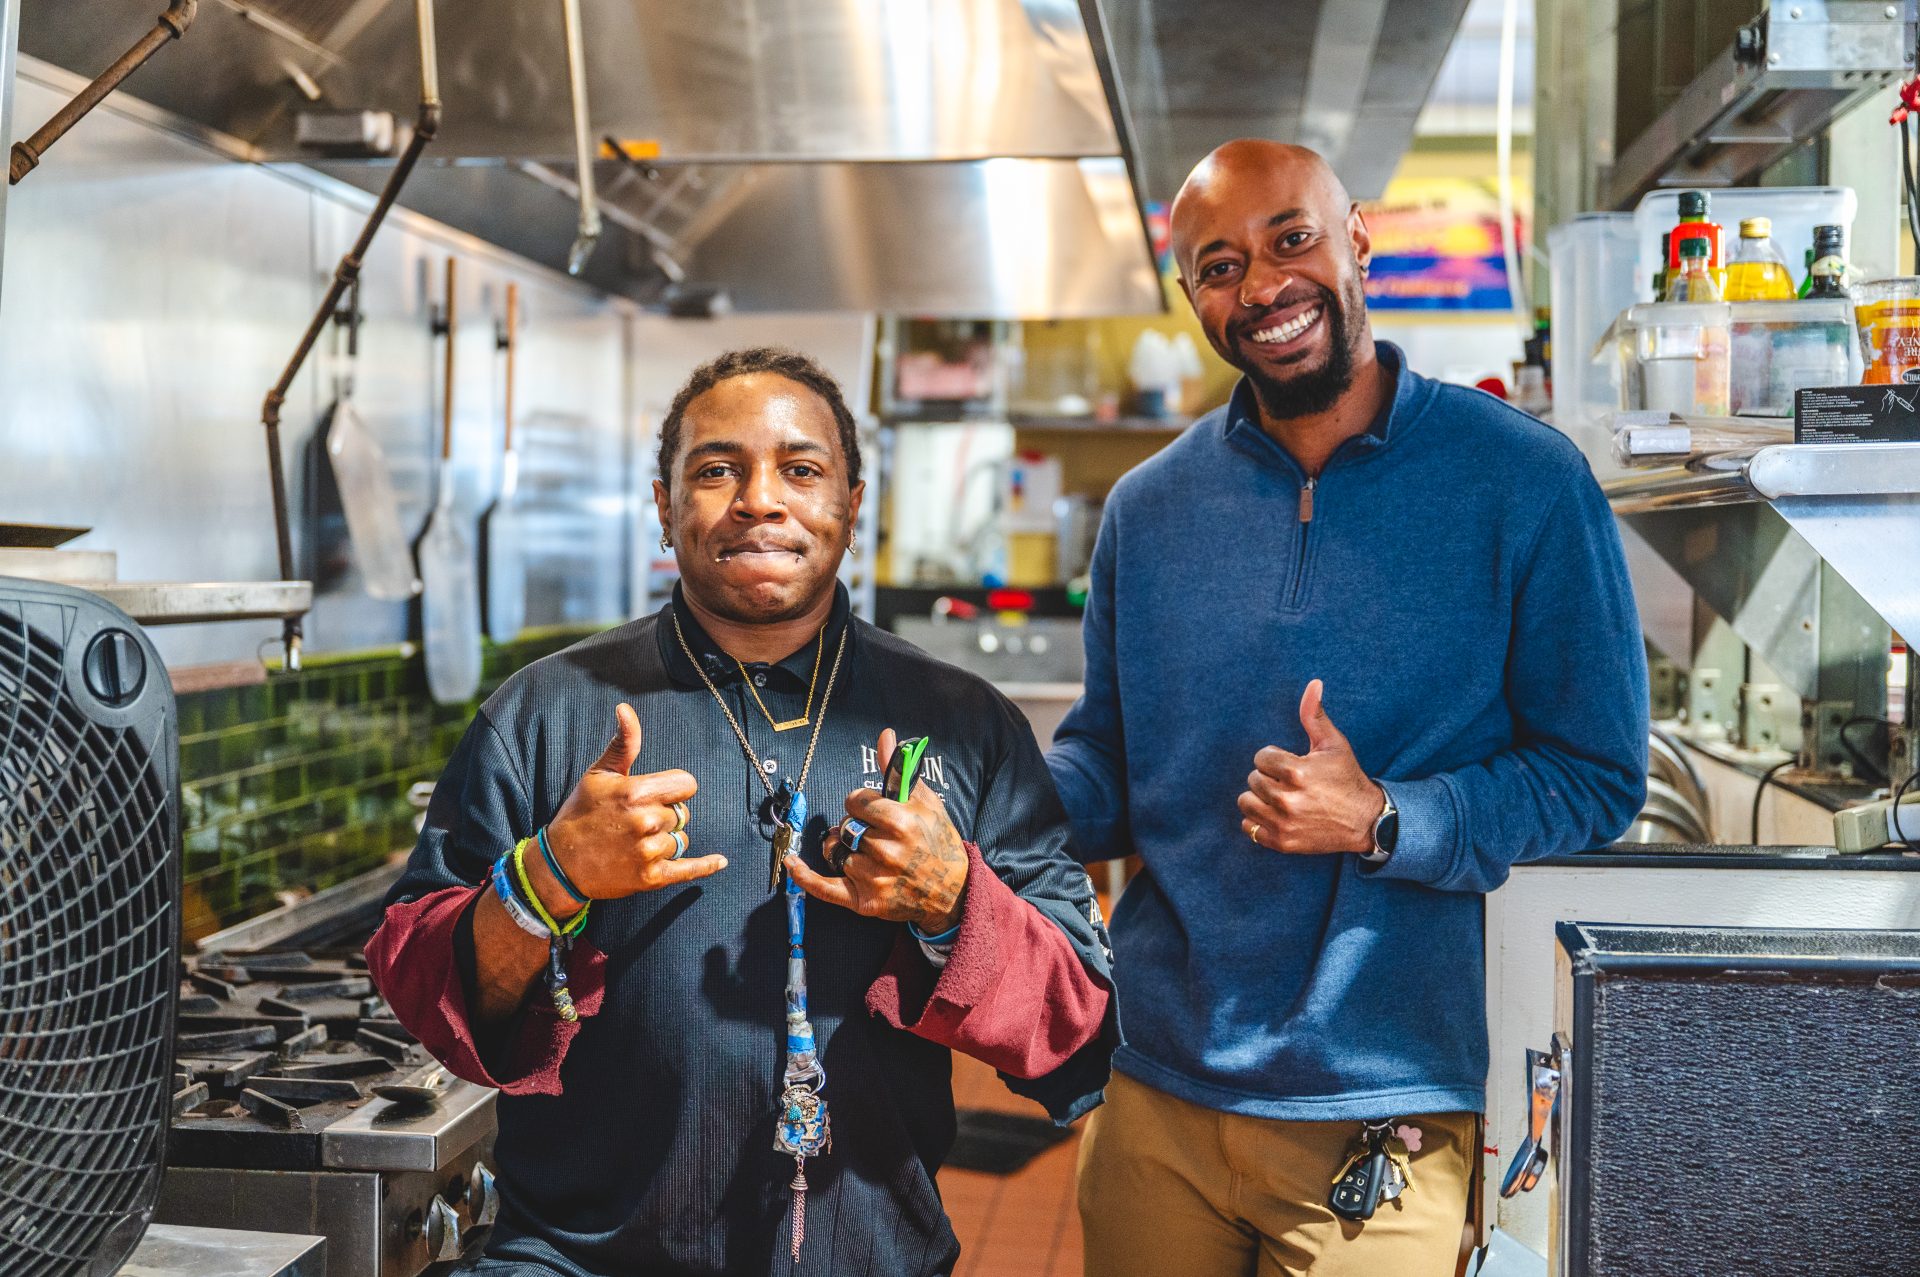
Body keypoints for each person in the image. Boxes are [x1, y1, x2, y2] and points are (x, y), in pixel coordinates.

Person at [366, 347, 1115, 1277]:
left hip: (869, 1255)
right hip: (578, 1257)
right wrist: (546, 879)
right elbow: (421, 985)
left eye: (801, 469)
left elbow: (1076, 1023)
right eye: (717, 469)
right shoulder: (544, 714)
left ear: (852, 502)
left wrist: (955, 901)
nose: (760, 498)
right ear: (663, 506)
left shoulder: (964, 726)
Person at [1052, 140, 1648, 1276]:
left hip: (1388, 1109)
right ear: (1192, 297)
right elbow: (1112, 766)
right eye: (1219, 265)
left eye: (1292, 238)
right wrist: (987, 793)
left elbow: (1596, 776)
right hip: (1157, 1090)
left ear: (1357, 238)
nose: (1264, 286)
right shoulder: (1148, 508)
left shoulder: (1523, 480)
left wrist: (1386, 815)